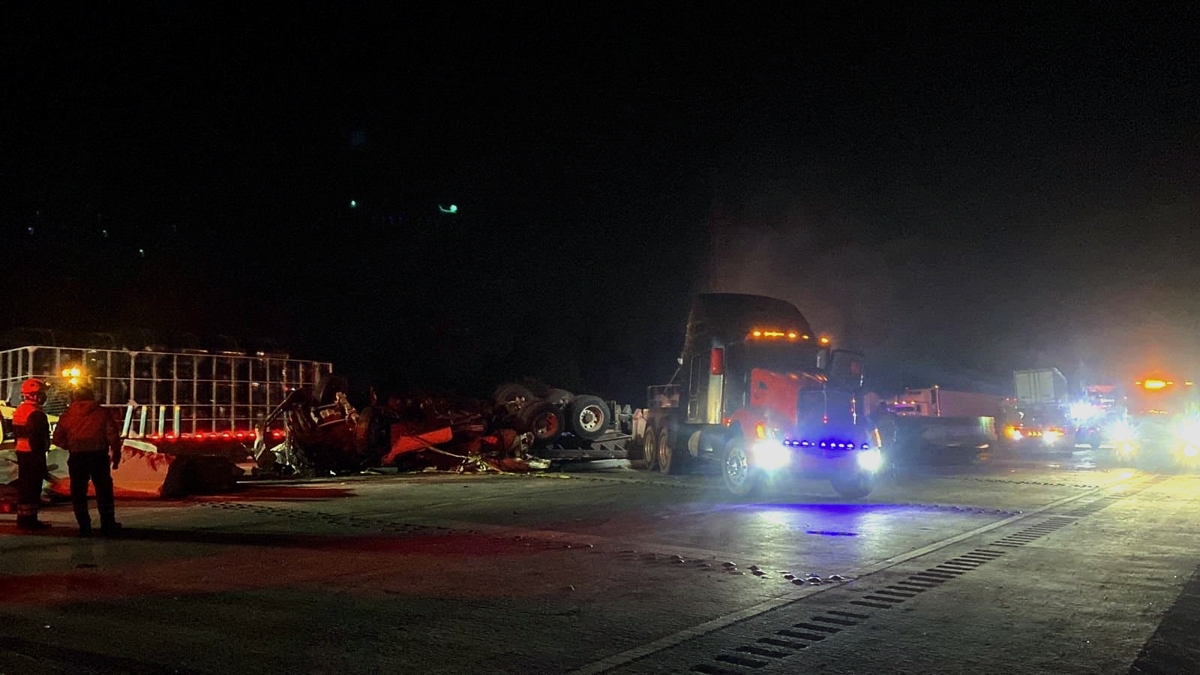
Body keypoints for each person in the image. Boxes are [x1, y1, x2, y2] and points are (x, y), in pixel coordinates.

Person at [52, 386, 122, 537]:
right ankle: (108, 524)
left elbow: (57, 438)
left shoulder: (67, 415)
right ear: (92, 396)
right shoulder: (102, 413)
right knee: (104, 491)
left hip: (77, 457)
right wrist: (116, 452)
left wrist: (71, 445)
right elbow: (112, 435)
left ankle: (84, 526)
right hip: (98, 456)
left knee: (78, 492)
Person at [12, 378, 52, 531]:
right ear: (35, 395)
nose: (44, 397)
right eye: (42, 393)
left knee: (25, 487)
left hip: (22, 452)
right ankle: (30, 520)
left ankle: (23, 518)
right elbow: (37, 439)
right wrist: (41, 461)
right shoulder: (35, 414)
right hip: (32, 454)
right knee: (32, 488)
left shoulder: (20, 411)